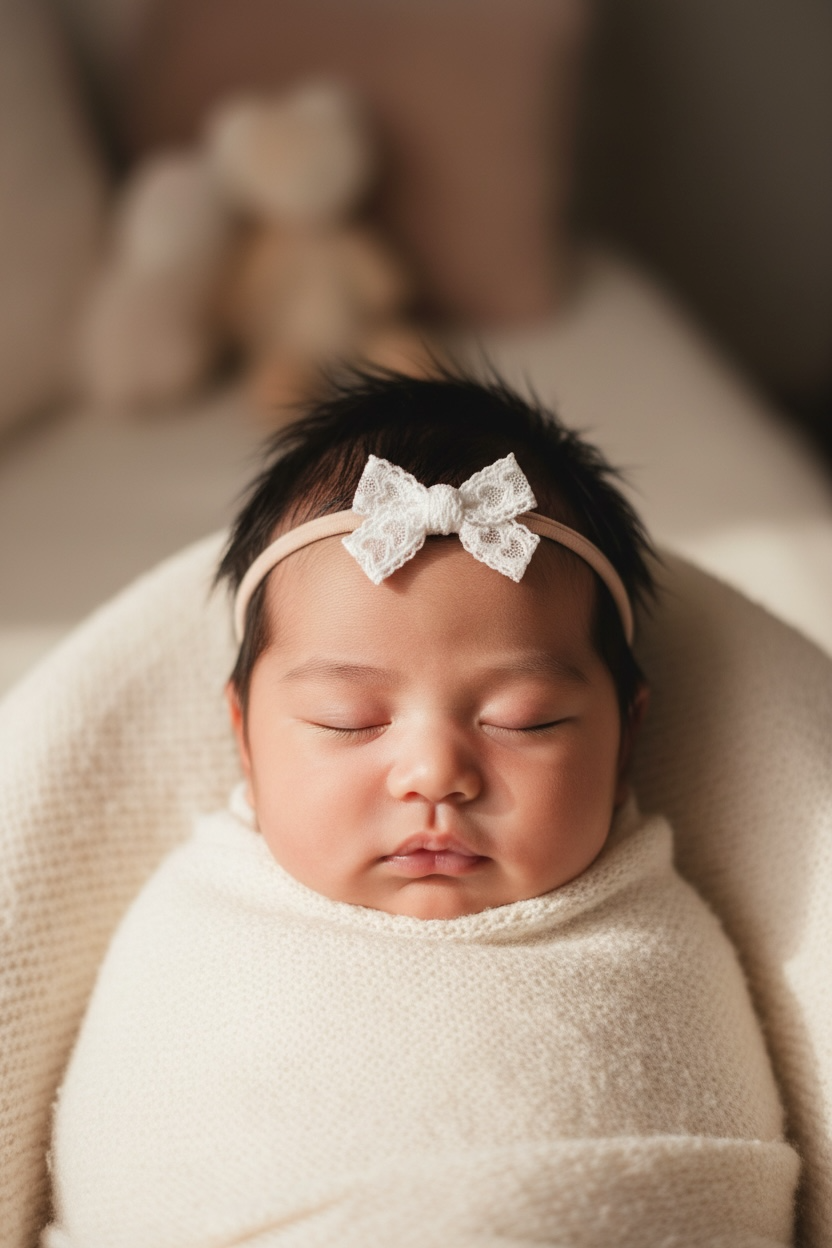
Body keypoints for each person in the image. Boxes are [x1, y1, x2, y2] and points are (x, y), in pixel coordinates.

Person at [45, 371, 799, 1247]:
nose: (435, 774)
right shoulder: (194, 929)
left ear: (626, 740)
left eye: (525, 720)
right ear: (243, 735)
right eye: (348, 721)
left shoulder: (663, 941)